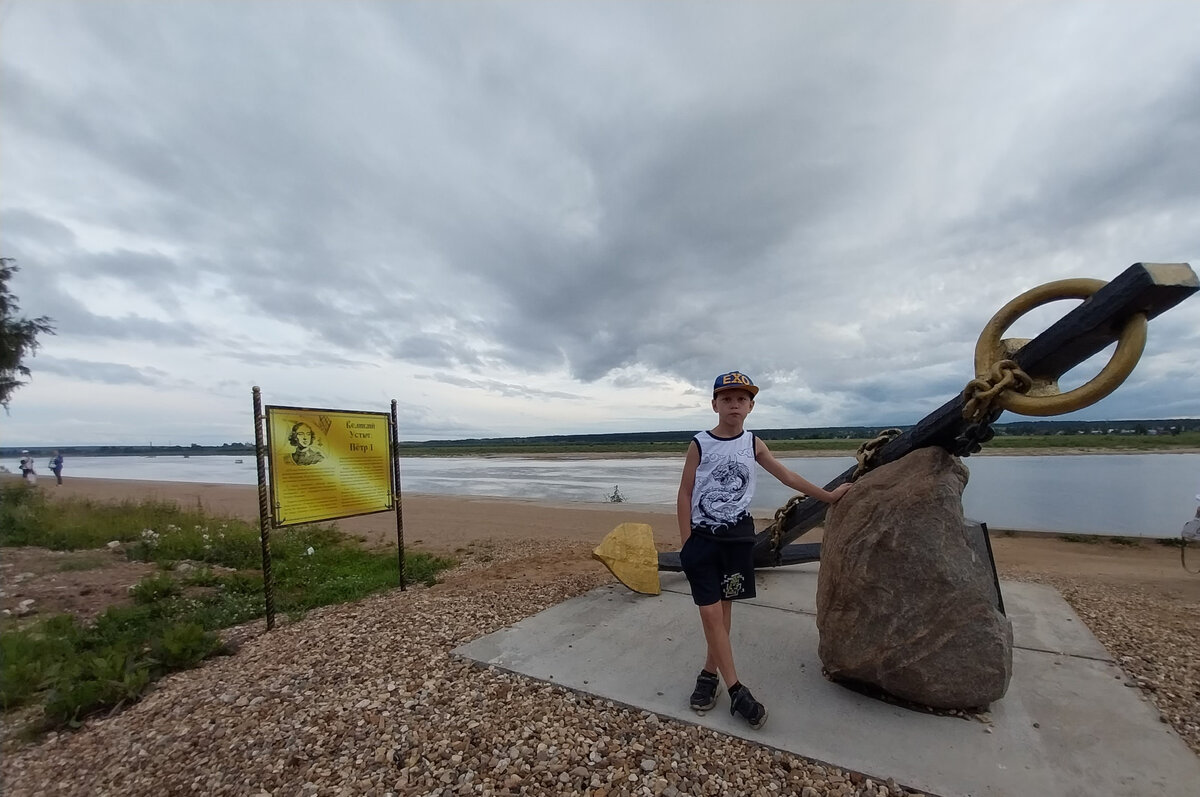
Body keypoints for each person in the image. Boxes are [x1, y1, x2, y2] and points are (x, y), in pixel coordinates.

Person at [677, 370, 852, 729]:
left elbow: (786, 476)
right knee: (711, 615)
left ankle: (709, 674)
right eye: (727, 399)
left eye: (741, 399)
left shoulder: (753, 443)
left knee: (722, 614)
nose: (734, 404)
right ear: (714, 405)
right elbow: (684, 493)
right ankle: (737, 689)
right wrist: (686, 542)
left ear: (751, 406)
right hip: (704, 541)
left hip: (737, 541)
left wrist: (830, 496)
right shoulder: (699, 443)